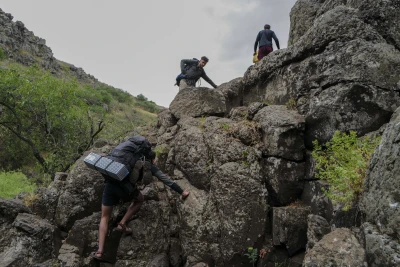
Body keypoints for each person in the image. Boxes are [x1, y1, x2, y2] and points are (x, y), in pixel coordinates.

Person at [92, 148, 189, 261]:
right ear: (152, 159)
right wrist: (182, 191)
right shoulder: (149, 166)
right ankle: (122, 223)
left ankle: (99, 252)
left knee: (105, 217)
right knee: (139, 199)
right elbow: (165, 180)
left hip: (110, 185)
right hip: (125, 189)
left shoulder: (128, 156)